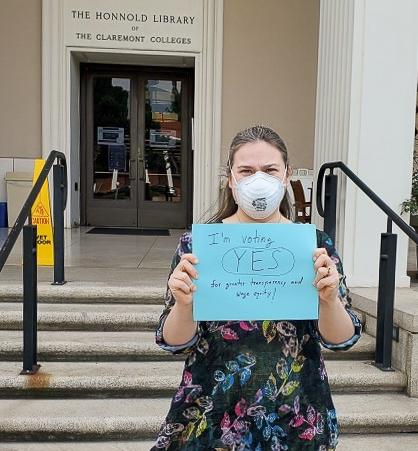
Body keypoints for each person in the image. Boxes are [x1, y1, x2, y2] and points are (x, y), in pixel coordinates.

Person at [151, 125, 362, 450]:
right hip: (212, 413)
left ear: (286, 175)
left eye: (269, 170)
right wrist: (182, 305)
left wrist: (330, 300)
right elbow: (175, 341)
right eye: (246, 171)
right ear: (230, 178)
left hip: (296, 415)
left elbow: (340, 338)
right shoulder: (199, 246)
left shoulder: (314, 245)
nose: (257, 180)